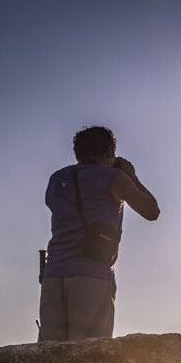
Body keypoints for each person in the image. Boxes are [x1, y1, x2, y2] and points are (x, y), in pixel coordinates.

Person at [38, 126, 160, 341]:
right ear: (110, 152)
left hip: (53, 273)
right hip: (92, 275)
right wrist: (131, 175)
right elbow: (151, 211)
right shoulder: (114, 178)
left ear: (78, 153)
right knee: (89, 355)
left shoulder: (56, 179)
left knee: (49, 354)